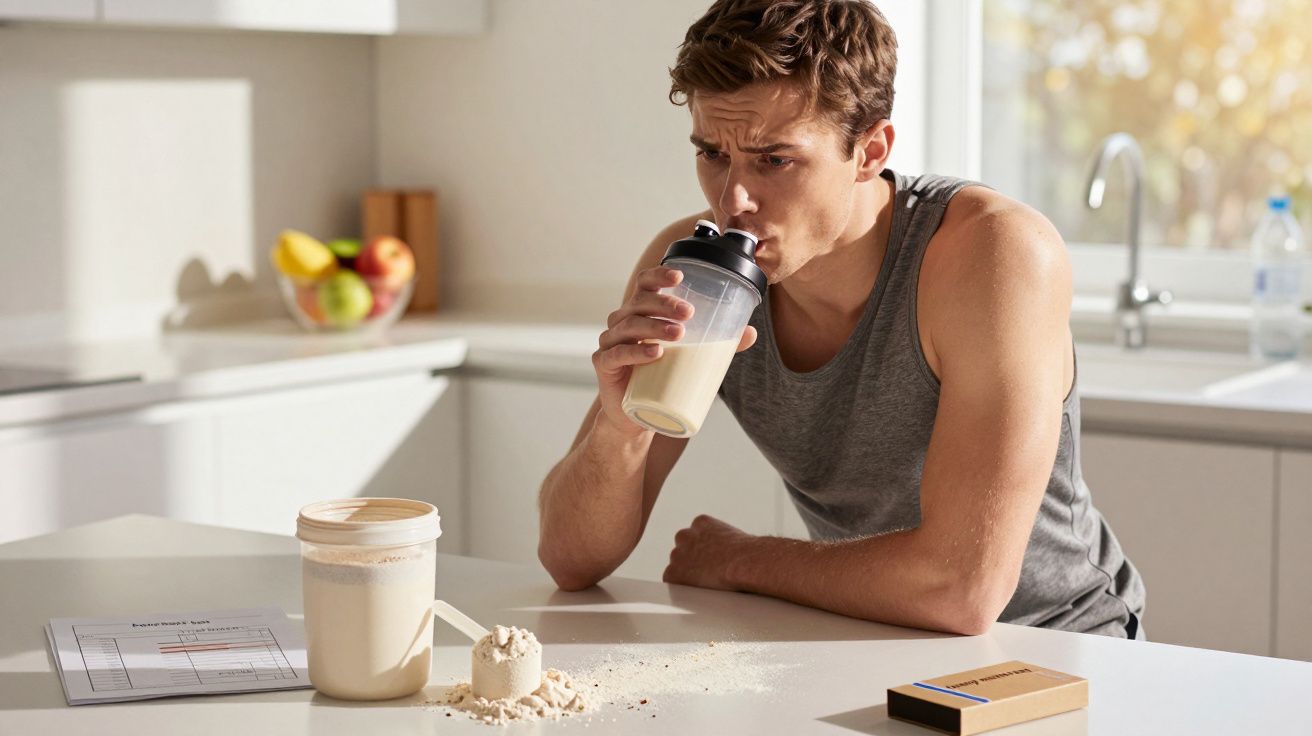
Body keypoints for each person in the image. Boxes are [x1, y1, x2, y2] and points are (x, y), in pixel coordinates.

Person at [537, 0, 1145, 638]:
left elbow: (961, 590)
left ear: (870, 150)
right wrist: (620, 424)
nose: (731, 201)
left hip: (1060, 643)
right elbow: (569, 560)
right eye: (713, 154)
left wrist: (741, 559)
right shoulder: (698, 274)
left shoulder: (993, 254)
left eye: (774, 160)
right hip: (871, 634)